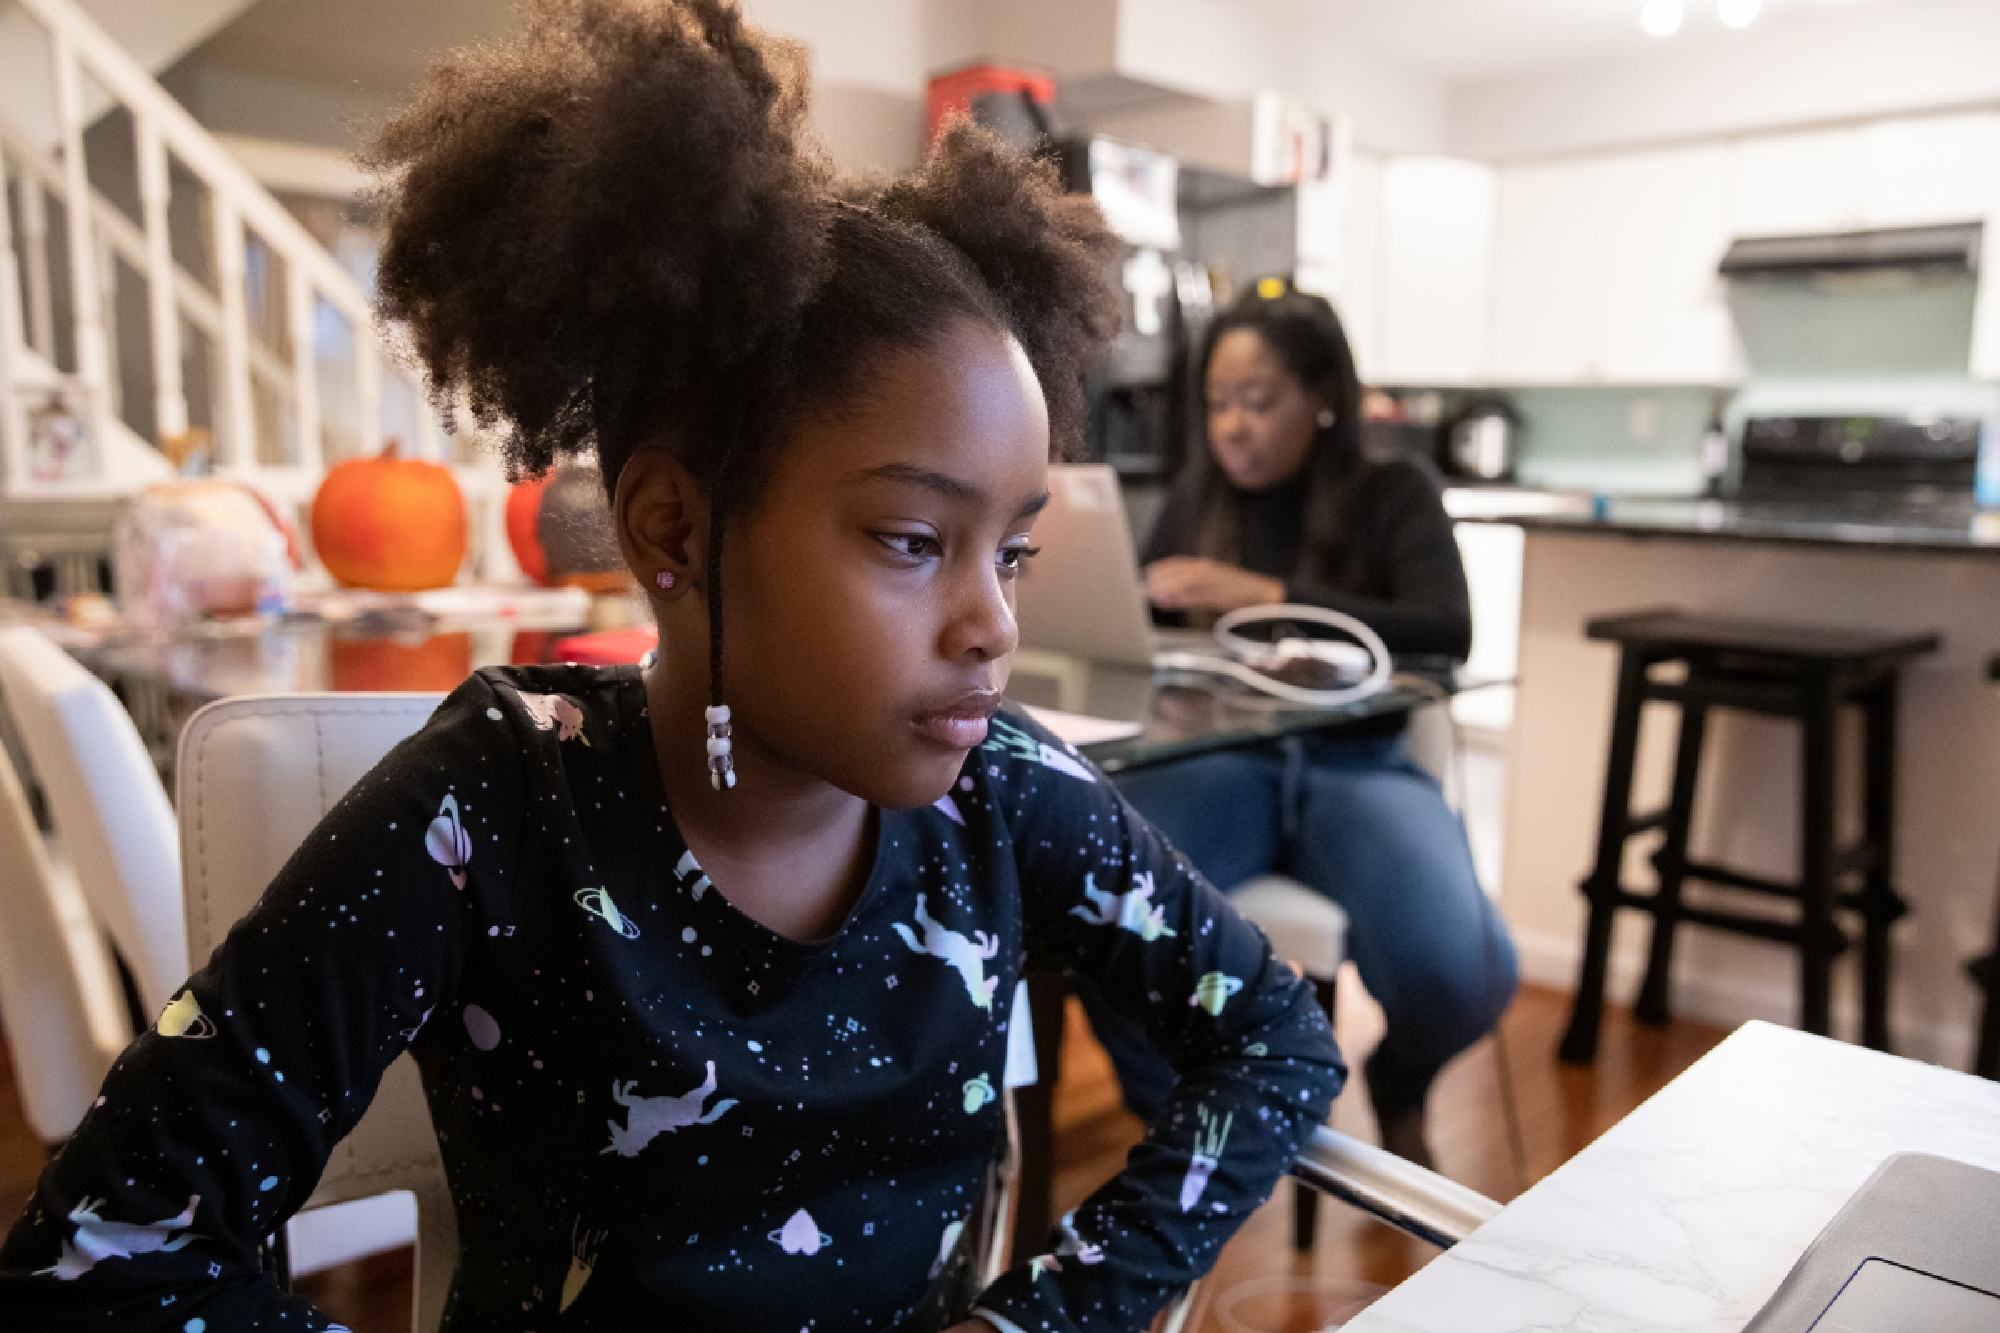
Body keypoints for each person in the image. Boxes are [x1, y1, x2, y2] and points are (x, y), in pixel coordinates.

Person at [0, 5, 1343, 1330]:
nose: (990, 621)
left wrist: (1047, 1315)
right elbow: (99, 1256)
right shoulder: (488, 816)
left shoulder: (1004, 792)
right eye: (914, 539)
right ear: (674, 527)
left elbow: (1274, 1037)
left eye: (1014, 555)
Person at [1084, 286, 1516, 1169]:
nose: (1233, 426)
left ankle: (1400, 1081)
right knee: (1095, 895)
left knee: (1460, 975)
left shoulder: (1393, 490)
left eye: (1259, 400)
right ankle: (1185, 1136)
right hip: (1217, 767)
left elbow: (1447, 629)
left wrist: (1271, 597)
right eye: (1218, 403)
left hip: (1353, 769)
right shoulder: (1193, 501)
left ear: (1322, 397)